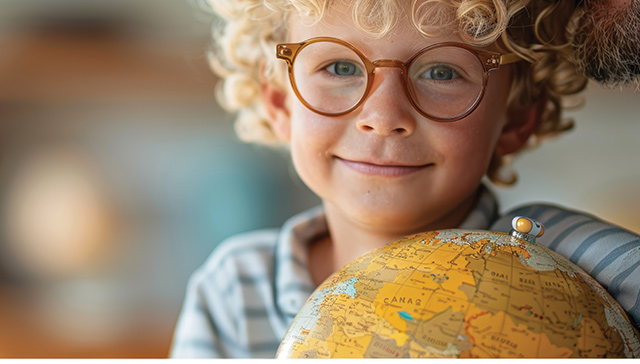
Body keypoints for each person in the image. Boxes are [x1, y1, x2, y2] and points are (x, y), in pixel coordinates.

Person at [170, 0, 640, 358]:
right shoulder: (233, 288)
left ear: (518, 116)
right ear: (279, 104)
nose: (384, 116)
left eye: (440, 72)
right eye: (340, 67)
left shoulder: (554, 254)